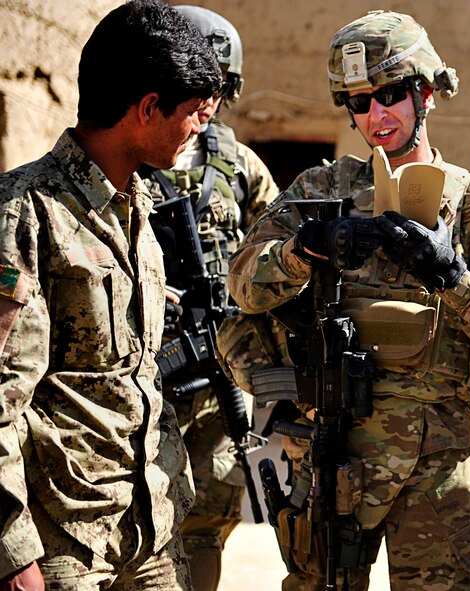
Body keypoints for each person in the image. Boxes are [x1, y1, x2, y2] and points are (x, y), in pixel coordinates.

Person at [226, 10, 470, 590]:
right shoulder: (319, 192)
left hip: (438, 472)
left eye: (391, 94)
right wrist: (306, 249)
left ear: (425, 92)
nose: (376, 115)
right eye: (358, 101)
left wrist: (452, 276)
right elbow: (243, 285)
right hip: (331, 455)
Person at [0, 1, 222, 590]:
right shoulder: (25, 216)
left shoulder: (139, 209)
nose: (201, 127)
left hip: (147, 529)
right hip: (63, 544)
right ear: (148, 109)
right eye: (194, 112)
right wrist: (12, 551)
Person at [143, 7, 279, 591]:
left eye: (217, 86)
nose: (207, 102)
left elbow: (273, 252)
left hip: (218, 366)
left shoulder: (242, 166)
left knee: (206, 523)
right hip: (146, 366)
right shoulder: (134, 155)